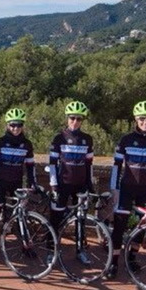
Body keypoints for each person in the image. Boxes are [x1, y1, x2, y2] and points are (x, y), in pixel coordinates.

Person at [106, 100, 146, 279]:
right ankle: (113, 262)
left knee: (143, 226)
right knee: (119, 226)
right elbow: (116, 166)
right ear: (136, 119)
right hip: (126, 188)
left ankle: (132, 257)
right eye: (142, 119)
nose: (145, 122)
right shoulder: (126, 140)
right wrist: (114, 189)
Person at [0, 108, 36, 256]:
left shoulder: (27, 144)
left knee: (18, 215)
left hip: (16, 182)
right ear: (8, 125)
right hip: (0, 182)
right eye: (13, 125)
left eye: (19, 125)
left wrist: (32, 183)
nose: (16, 128)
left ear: (23, 126)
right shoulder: (1, 142)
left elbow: (30, 166)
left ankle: (25, 246)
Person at [47, 101, 94, 264]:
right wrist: (54, 185)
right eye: (72, 118)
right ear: (67, 119)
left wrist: (90, 185)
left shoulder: (87, 139)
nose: (75, 122)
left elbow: (89, 165)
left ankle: (80, 251)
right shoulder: (59, 138)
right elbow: (52, 164)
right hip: (62, 185)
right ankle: (51, 250)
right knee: (55, 217)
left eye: (79, 119)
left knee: (81, 219)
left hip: (80, 184)